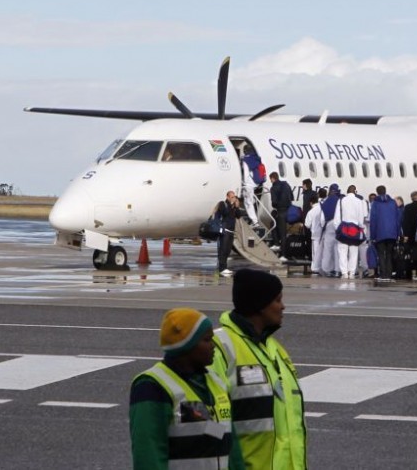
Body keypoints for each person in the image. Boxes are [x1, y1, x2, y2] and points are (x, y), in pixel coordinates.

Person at [212, 269, 306, 470]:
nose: (283, 306)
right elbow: (209, 425)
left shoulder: (275, 349)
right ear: (260, 306)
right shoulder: (220, 348)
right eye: (277, 300)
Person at [130, 308, 244, 470]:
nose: (213, 346)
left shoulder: (215, 382)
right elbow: (148, 455)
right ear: (187, 346)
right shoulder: (152, 386)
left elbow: (231, 448)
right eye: (207, 340)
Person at [334, 184, 368, 279]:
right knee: (354, 252)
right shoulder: (359, 201)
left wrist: (337, 228)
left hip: (343, 228)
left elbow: (337, 215)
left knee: (342, 252)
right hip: (355, 229)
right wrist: (360, 227)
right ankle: (352, 272)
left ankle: (344, 272)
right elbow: (361, 217)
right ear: (355, 191)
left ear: (347, 191)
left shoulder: (341, 200)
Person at [370, 185, 401, 282]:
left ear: (377, 192)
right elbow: (397, 219)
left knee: (381, 254)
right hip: (392, 233)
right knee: (389, 254)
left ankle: (383, 274)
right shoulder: (393, 203)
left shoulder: (375, 203)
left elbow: (373, 220)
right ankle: (389, 273)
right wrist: (398, 233)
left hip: (380, 233)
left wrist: (372, 236)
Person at [212, 191, 246, 276]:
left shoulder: (233, 206)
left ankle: (224, 267)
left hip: (231, 230)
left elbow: (238, 216)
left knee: (227, 250)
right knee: (223, 250)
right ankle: (222, 268)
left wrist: (237, 207)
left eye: (234, 197)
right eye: (232, 197)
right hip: (225, 230)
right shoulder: (223, 204)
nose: (233, 198)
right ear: (227, 197)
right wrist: (231, 204)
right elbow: (225, 213)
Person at [269, 172, 294, 259]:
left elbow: (274, 203)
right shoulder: (286, 184)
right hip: (289, 210)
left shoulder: (273, 188)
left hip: (281, 211)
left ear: (272, 179)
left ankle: (282, 252)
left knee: (274, 226)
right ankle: (279, 247)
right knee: (282, 233)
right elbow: (292, 197)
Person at [319, 184, 341, 277]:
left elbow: (322, 218)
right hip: (339, 226)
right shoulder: (340, 200)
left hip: (329, 225)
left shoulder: (326, 202)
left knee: (327, 249)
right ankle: (337, 269)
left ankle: (327, 269)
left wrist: (322, 226)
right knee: (337, 249)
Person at [401, 191, 417, 279]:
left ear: (411, 198)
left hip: (409, 234)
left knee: (408, 254)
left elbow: (405, 221)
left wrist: (405, 234)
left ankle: (408, 272)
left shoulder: (407, 207)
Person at [303, 191, 324, 275]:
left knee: (315, 252)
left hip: (315, 234)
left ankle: (315, 268)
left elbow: (307, 225)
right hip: (324, 234)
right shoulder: (323, 208)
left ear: (311, 203)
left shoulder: (311, 212)